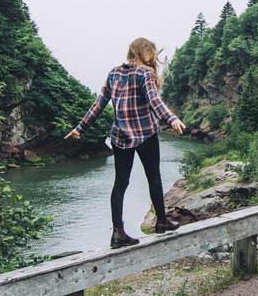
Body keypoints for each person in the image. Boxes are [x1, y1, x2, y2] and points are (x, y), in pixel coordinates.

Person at [66, 38, 187, 248]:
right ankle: (161, 221)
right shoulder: (145, 73)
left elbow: (99, 103)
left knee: (120, 183)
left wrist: (80, 127)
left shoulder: (114, 73)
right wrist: (172, 118)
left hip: (120, 135)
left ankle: (118, 233)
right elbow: (154, 100)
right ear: (147, 53)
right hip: (145, 132)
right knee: (153, 177)